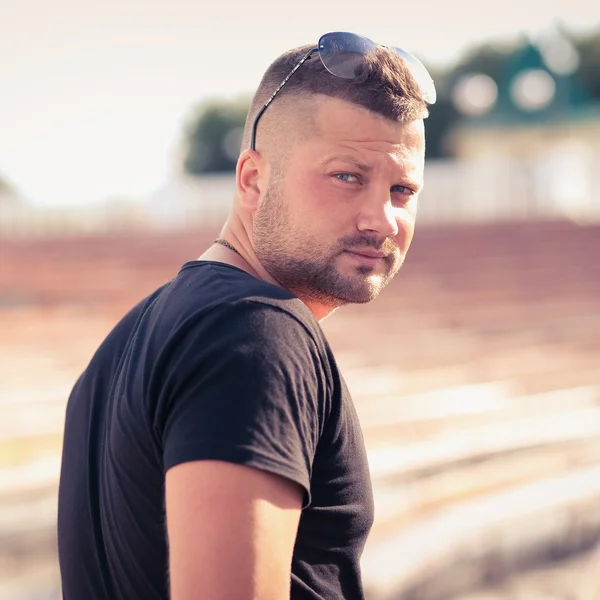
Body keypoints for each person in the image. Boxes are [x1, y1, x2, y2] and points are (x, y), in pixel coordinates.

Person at [57, 32, 434, 600]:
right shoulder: (259, 334)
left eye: (402, 189)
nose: (380, 218)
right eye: (347, 176)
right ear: (253, 179)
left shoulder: (125, 344)